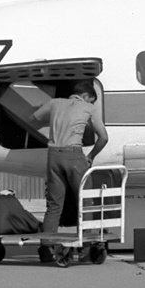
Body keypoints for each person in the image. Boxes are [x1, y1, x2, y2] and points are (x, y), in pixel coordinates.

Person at [31, 81, 109, 248]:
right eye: (91, 100)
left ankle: (46, 248)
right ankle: (86, 246)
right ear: (86, 96)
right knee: (86, 201)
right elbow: (104, 138)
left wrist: (54, 121)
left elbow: (34, 118)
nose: (92, 104)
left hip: (53, 156)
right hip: (74, 156)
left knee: (54, 205)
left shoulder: (55, 103)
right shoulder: (89, 108)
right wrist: (91, 156)